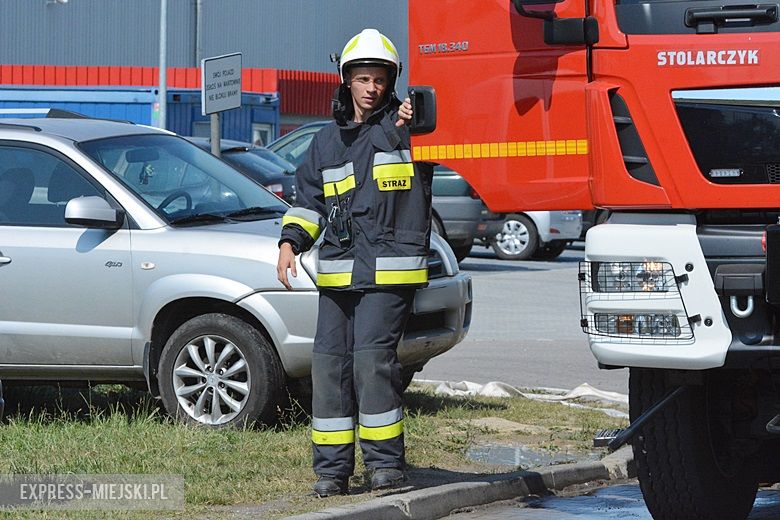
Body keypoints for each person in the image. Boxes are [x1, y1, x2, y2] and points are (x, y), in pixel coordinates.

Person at [276, 28, 432, 497]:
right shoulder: (326, 142)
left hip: (389, 274)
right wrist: (290, 243)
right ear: (346, 81)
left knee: (371, 364)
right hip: (339, 276)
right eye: (361, 78)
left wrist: (417, 116)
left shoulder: (409, 129)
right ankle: (332, 472)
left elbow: (439, 124)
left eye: (379, 80)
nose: (370, 88)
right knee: (328, 367)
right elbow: (309, 201)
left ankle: (385, 466)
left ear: (391, 83)